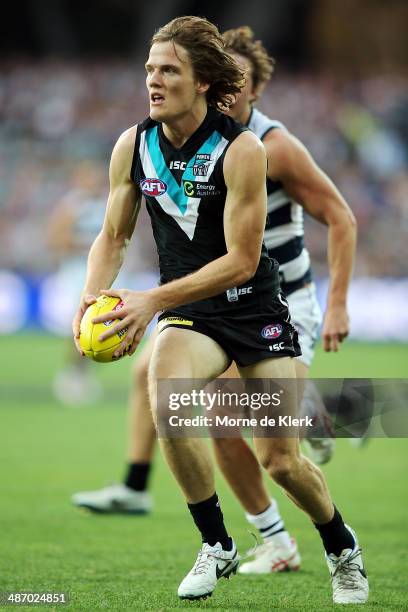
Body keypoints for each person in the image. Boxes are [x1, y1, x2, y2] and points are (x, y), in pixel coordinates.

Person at [72, 17, 368, 604]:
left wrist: (151, 301)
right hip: (193, 313)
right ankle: (217, 544)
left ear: (203, 82)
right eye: (150, 69)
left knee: (281, 462)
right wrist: (89, 299)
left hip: (254, 310)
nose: (153, 81)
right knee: (167, 393)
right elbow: (112, 235)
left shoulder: (244, 149)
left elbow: (241, 261)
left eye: (169, 71)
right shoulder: (133, 146)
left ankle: (341, 546)